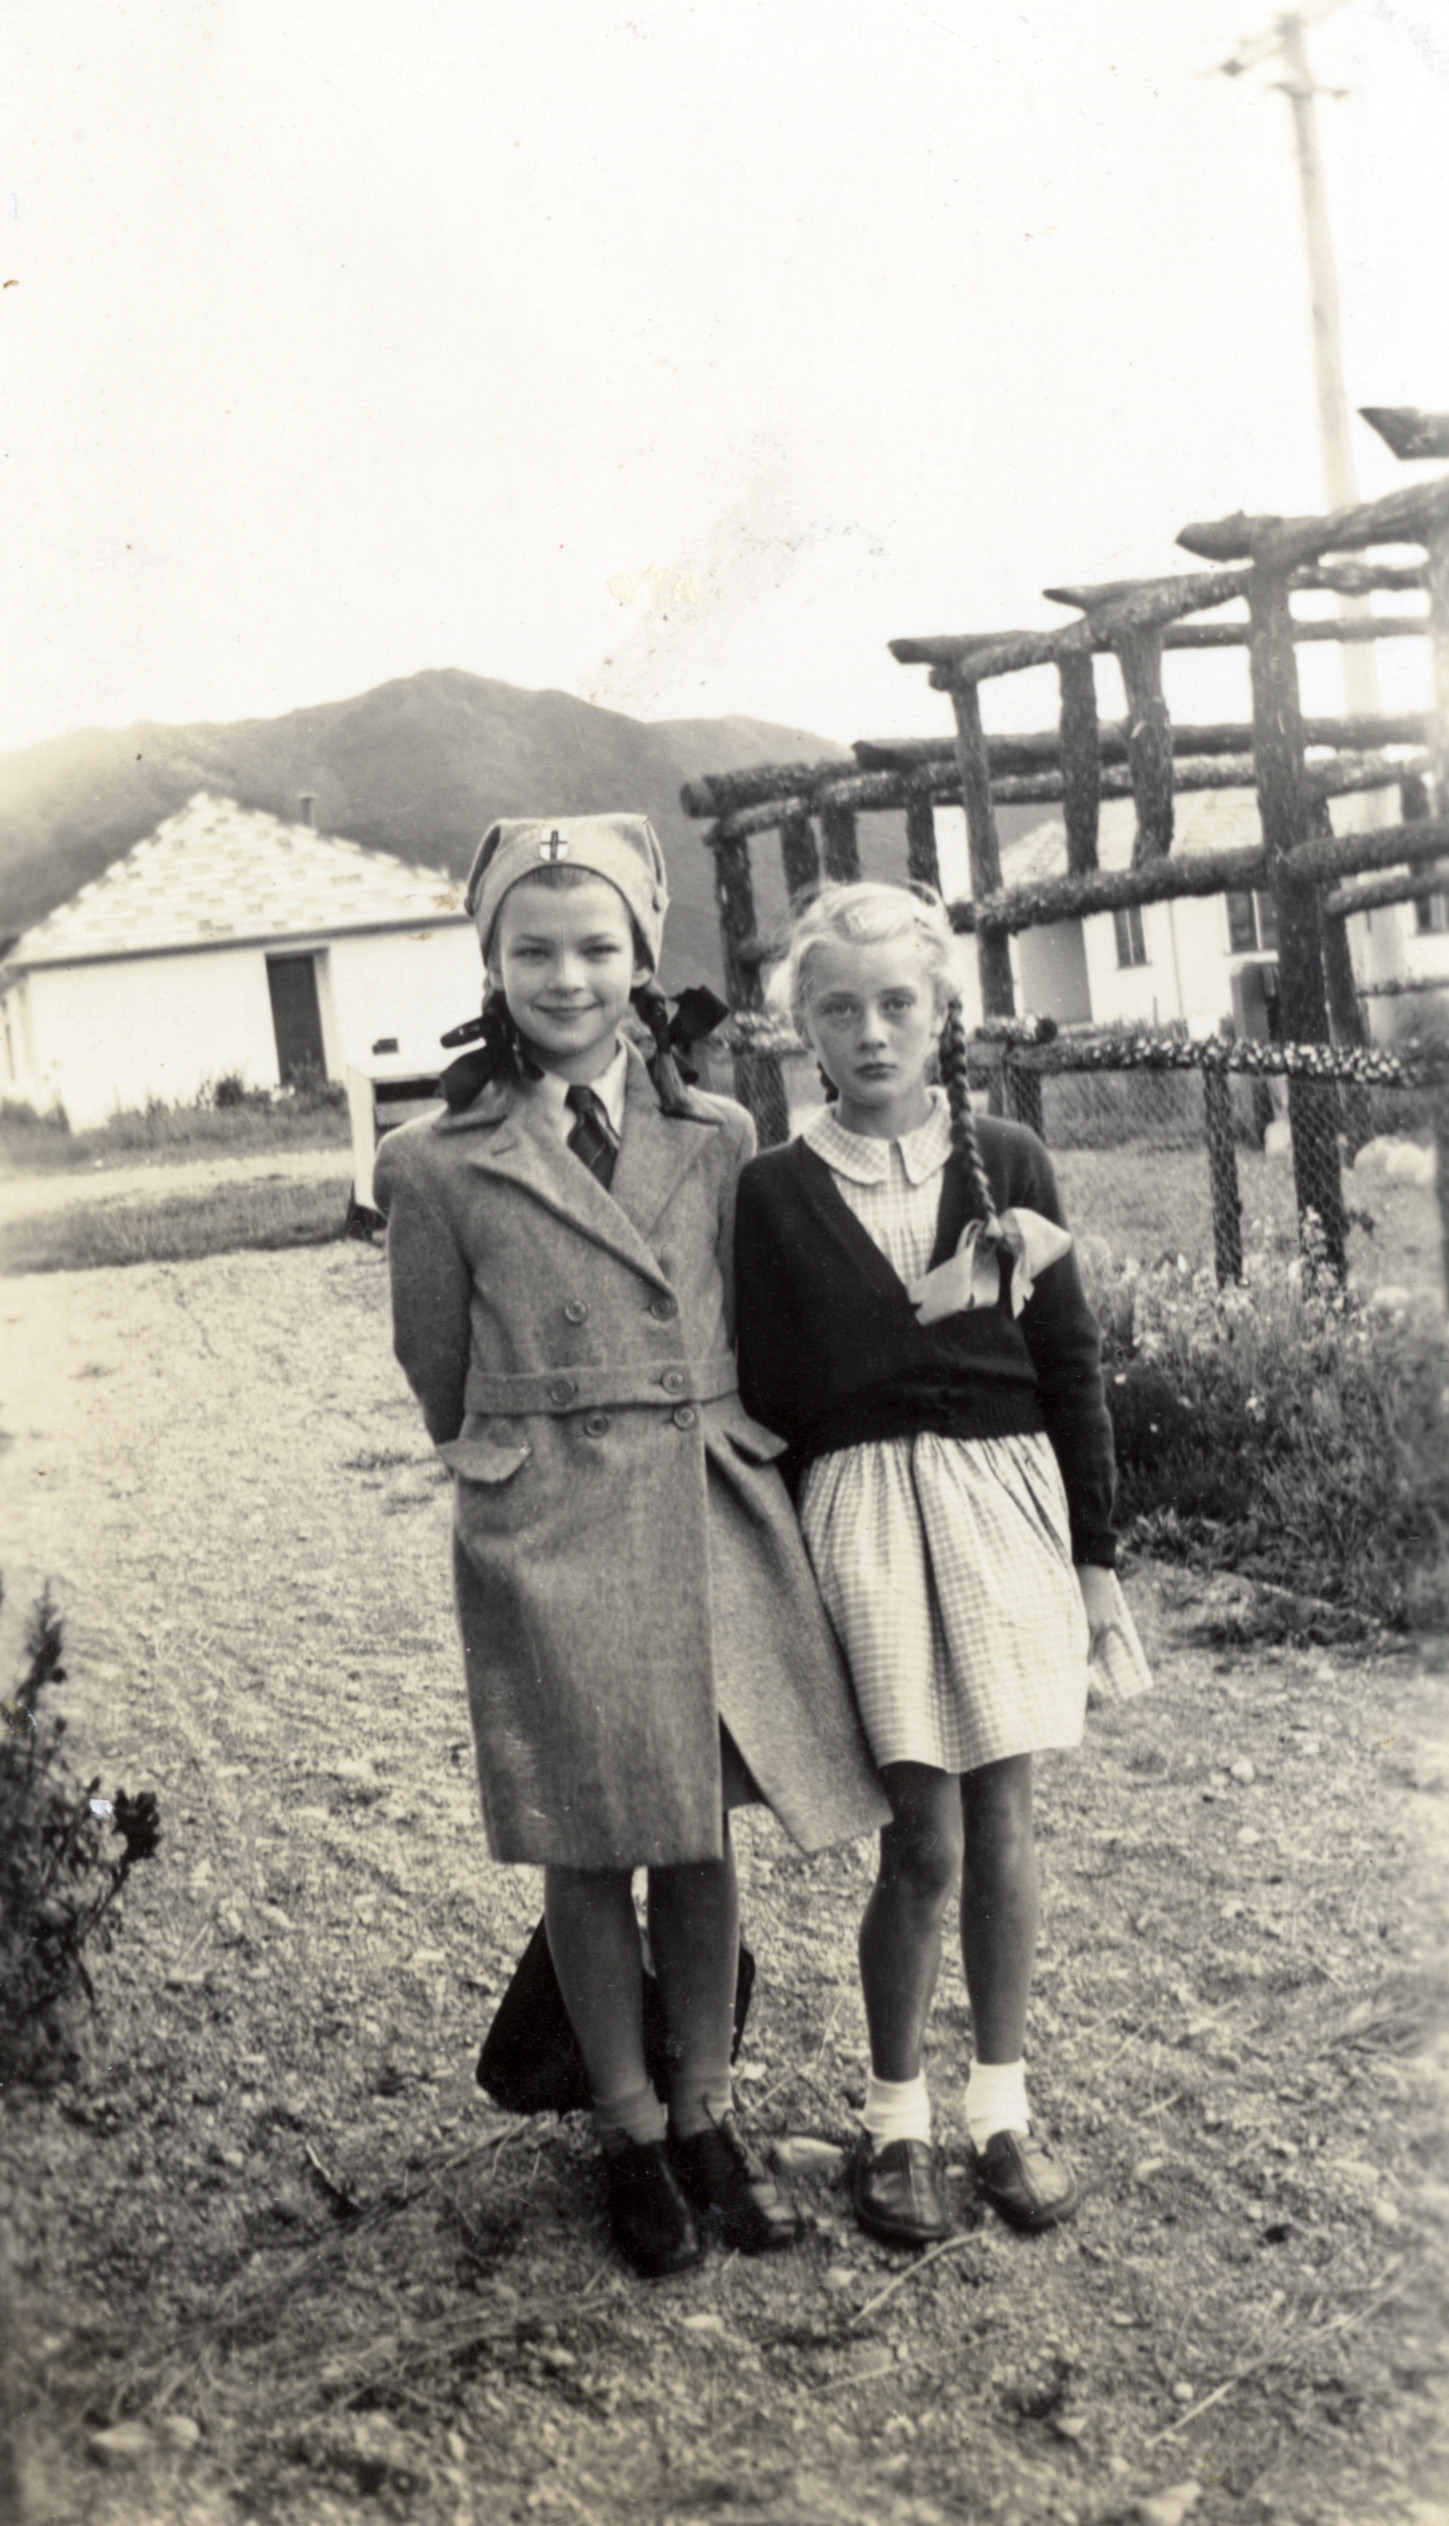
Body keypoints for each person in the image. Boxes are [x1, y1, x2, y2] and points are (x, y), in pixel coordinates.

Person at [375, 815, 887, 2281]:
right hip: (553, 1517)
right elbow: (432, 1365)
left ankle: (708, 2109)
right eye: (531, 948)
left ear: (641, 958)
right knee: (589, 1834)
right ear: (489, 960)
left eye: (597, 946)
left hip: (700, 1499)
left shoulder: (717, 1134)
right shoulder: (437, 1158)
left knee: (697, 1823)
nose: (566, 974)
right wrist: (523, 1463)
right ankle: (625, 2125)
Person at [734, 881, 1149, 2248]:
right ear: (799, 1026)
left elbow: (1068, 1364)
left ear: (940, 1015)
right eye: (838, 1007)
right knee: (921, 1837)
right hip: (863, 1522)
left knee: (1007, 1825)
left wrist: (1093, 1560)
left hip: (1005, 1508)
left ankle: (999, 2110)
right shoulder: (774, 1192)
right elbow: (777, 1393)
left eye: (896, 1002)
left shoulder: (1008, 1160)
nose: (870, 1030)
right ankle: (894, 2114)